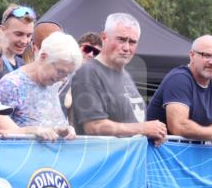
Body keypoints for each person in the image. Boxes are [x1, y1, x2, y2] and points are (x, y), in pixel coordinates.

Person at [70, 13, 167, 144]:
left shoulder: (125, 75)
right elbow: (93, 126)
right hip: (103, 160)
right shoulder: (88, 73)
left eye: (132, 42)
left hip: (128, 159)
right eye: (121, 39)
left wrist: (154, 134)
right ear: (104, 37)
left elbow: (131, 120)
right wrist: (143, 128)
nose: (126, 48)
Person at [145, 35, 212, 140]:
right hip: (162, 152)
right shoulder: (179, 79)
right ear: (192, 55)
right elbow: (179, 126)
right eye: (207, 55)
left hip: (189, 153)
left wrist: (203, 132)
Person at [0, 31, 80, 138]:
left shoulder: (52, 84)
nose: (63, 78)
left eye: (67, 74)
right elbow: (3, 133)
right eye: (60, 71)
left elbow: (51, 124)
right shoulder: (11, 85)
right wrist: (34, 131)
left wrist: (64, 129)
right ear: (43, 57)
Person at [0, 4, 36, 82]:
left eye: (29, 35)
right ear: (2, 31)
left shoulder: (24, 65)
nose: (24, 41)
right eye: (18, 34)